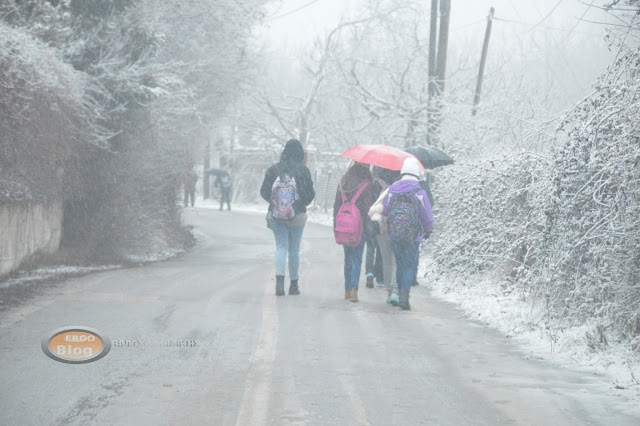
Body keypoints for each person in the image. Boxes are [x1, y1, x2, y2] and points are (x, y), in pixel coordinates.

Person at [260, 139, 315, 296]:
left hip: (276, 216)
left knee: (281, 247)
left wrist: (277, 204)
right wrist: (296, 205)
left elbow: (264, 191)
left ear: (283, 152)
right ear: (301, 154)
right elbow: (310, 194)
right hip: (297, 216)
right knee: (294, 249)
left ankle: (279, 285)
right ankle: (294, 285)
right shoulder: (303, 171)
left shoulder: (273, 169)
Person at [382, 157, 433, 310]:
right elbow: (427, 214)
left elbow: (385, 210)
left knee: (400, 265)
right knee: (409, 266)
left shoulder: (392, 190)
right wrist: (428, 229)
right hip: (413, 236)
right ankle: (405, 296)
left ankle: (398, 294)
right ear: (416, 173)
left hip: (395, 234)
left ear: (402, 172)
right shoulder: (419, 192)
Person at [333, 162, 376, 303]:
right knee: (357, 258)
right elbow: (367, 209)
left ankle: (346, 290)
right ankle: (354, 290)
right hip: (359, 227)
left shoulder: (343, 183)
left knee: (348, 258)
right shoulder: (367, 186)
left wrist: (336, 226)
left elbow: (336, 206)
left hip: (344, 226)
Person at [368, 166, 401, 305]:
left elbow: (372, 206)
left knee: (383, 257)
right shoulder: (399, 187)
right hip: (398, 227)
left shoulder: (376, 185)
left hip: (380, 226)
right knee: (394, 260)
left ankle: (387, 288)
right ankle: (393, 289)